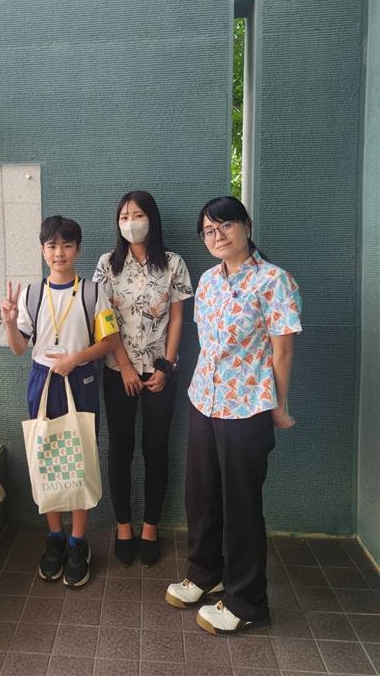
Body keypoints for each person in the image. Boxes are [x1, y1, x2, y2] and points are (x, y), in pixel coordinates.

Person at [165, 195, 302, 634]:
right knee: (201, 493)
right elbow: (209, 344)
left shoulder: (274, 280)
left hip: (247, 406)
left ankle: (248, 600)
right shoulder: (208, 281)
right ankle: (206, 572)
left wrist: (279, 405)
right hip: (205, 399)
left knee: (241, 504)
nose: (217, 235)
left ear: (246, 225)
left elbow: (282, 351)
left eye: (225, 225)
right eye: (208, 230)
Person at [1, 215, 119, 587]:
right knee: (46, 456)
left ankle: (78, 541)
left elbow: (110, 341)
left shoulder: (92, 292)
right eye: (52, 246)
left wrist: (76, 358)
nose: (59, 253)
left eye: (67, 245)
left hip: (80, 379)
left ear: (78, 250)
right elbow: (19, 348)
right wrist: (9, 322)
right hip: (42, 380)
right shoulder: (32, 295)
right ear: (42, 250)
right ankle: (54, 537)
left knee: (79, 457)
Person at [93, 191, 193, 567]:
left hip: (161, 372)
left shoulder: (173, 263)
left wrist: (166, 366)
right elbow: (103, 318)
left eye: (138, 215)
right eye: (124, 217)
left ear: (152, 218)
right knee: (120, 448)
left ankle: (150, 527)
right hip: (118, 371)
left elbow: (178, 319)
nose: (131, 222)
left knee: (156, 448)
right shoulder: (108, 264)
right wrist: (124, 365)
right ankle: (123, 527)